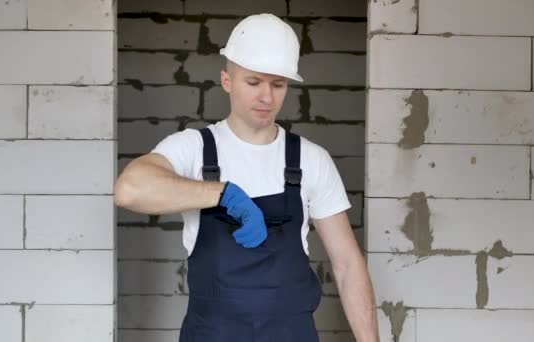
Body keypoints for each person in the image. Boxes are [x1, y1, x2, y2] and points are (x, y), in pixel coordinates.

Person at [114, 13, 379, 342]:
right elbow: (129, 189)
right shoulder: (193, 148)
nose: (267, 97)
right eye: (253, 82)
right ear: (227, 80)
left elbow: (347, 264)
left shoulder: (311, 159)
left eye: (278, 84)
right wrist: (223, 194)